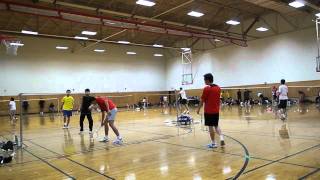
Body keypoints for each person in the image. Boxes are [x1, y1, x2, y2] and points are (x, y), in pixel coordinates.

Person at [197, 73, 225, 148]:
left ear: (207, 80)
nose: (204, 81)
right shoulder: (218, 88)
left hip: (208, 111)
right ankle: (221, 137)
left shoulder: (207, 88)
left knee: (210, 127)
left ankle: (213, 143)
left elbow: (202, 100)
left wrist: (198, 109)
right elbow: (219, 99)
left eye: (204, 80)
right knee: (216, 125)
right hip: (216, 110)